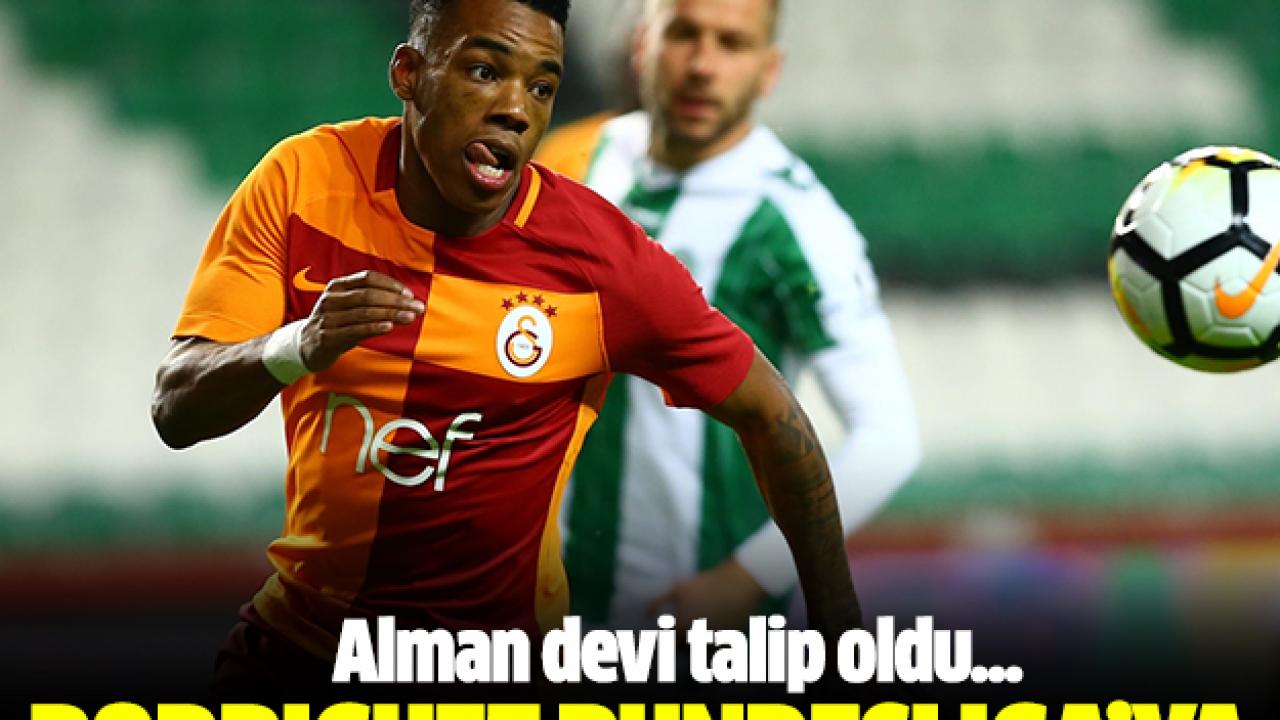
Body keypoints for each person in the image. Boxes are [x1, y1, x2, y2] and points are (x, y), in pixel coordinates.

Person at [151, 0, 859, 697]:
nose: (516, 109)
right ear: (408, 73)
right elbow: (176, 408)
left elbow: (774, 415)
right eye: (486, 71)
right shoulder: (302, 181)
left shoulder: (602, 261)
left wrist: (840, 636)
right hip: (298, 652)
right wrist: (295, 346)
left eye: (542, 87)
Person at [537, 0, 921, 630]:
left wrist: (747, 578)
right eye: (684, 35)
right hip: (550, 591)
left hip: (693, 611)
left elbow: (889, 439)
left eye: (732, 44)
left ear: (769, 70)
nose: (703, 65)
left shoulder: (796, 223)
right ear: (643, 46)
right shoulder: (578, 160)